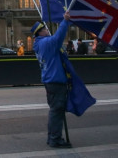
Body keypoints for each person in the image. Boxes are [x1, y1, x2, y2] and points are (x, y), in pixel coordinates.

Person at [32, 11, 72, 149]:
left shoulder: (39, 44)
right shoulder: (45, 43)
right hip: (55, 80)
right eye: (44, 29)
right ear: (39, 33)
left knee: (55, 110)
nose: (46, 30)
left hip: (50, 80)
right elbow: (57, 39)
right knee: (57, 111)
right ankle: (55, 139)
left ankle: (52, 137)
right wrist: (64, 21)